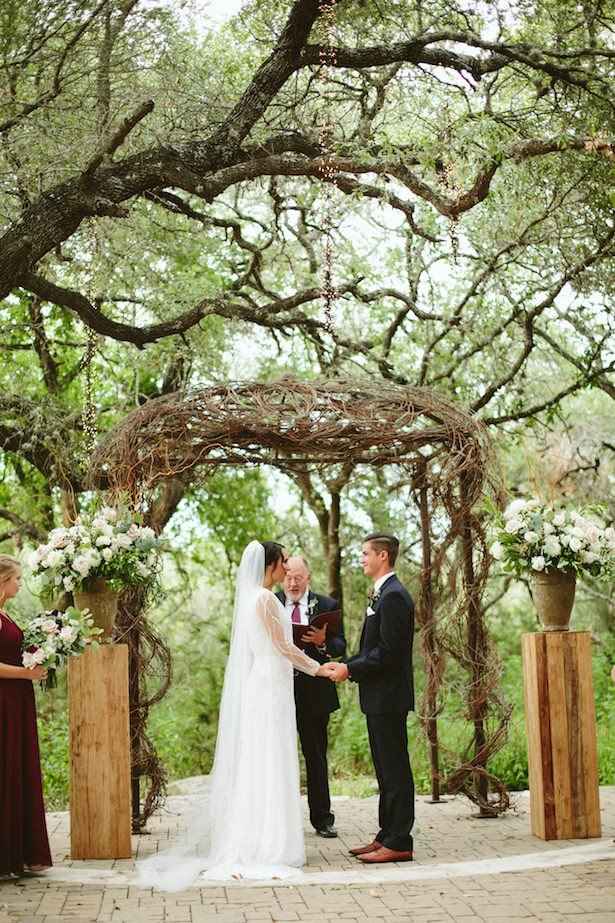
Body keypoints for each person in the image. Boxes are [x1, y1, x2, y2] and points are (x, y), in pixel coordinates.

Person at [138, 541, 337, 889]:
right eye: (284, 563)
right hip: (271, 686)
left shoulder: (250, 599)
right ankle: (269, 842)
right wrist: (320, 670)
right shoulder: (264, 599)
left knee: (261, 760)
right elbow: (284, 647)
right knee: (271, 759)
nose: (287, 568)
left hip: (263, 682)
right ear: (273, 564)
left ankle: (258, 834)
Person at [328, 532, 415, 864]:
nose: (361, 558)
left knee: (395, 769)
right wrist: (347, 663)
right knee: (384, 768)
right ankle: (385, 835)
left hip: (389, 697)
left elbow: (388, 654)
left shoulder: (394, 596)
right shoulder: (383, 594)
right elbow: (371, 649)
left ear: (383, 556)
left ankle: (400, 840)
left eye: (365, 553)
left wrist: (349, 671)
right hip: (378, 697)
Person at [277, 555, 345, 838]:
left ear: (309, 577)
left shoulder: (326, 605)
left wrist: (323, 642)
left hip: (315, 695)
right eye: (288, 577)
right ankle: (281, 820)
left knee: (315, 756)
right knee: (278, 757)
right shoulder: (271, 602)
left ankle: (322, 819)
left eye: (298, 578)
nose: (293, 583)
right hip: (278, 691)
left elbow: (341, 645)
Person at [0, 554, 52, 878]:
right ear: (3, 580)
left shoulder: (4, 614)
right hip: (4, 703)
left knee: (17, 769)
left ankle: (18, 852)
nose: (21, 583)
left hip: (16, 702)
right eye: (17, 578)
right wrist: (25, 674)